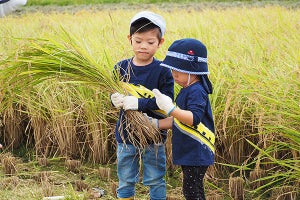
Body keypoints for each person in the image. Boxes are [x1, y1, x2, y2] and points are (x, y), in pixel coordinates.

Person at [110, 11, 174, 200]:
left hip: (154, 136)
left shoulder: (164, 71)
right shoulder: (120, 68)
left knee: (155, 178)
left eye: (150, 42)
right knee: (126, 178)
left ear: (160, 42)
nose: (143, 46)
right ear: (129, 39)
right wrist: (113, 99)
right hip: (125, 134)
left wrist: (139, 103)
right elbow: (111, 93)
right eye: (138, 41)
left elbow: (166, 103)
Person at [151, 38, 215, 200]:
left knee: (191, 190)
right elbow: (180, 121)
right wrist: (155, 123)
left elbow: (193, 118)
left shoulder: (196, 91)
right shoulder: (188, 89)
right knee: (193, 189)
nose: (174, 75)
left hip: (197, 150)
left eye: (177, 70)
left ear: (192, 70)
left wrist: (171, 109)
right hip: (190, 151)